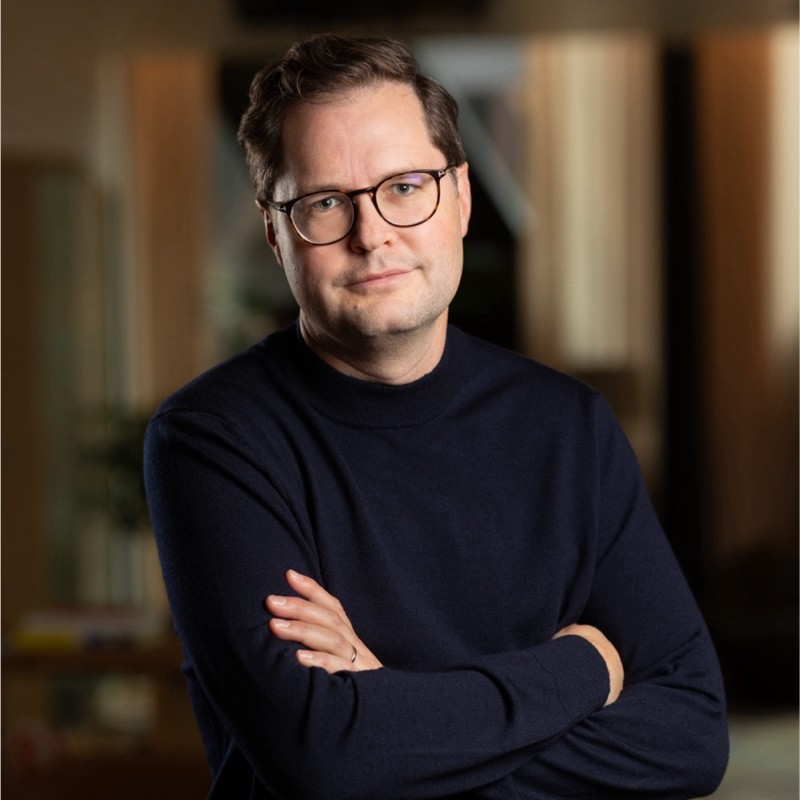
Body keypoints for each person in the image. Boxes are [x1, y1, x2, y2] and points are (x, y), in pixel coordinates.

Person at [144, 33, 728, 799]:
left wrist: (392, 722)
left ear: (461, 198)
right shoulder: (214, 439)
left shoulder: (569, 427)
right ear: (274, 230)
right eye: (325, 202)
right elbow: (324, 759)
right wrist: (586, 665)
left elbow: (692, 737)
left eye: (405, 186)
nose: (372, 234)